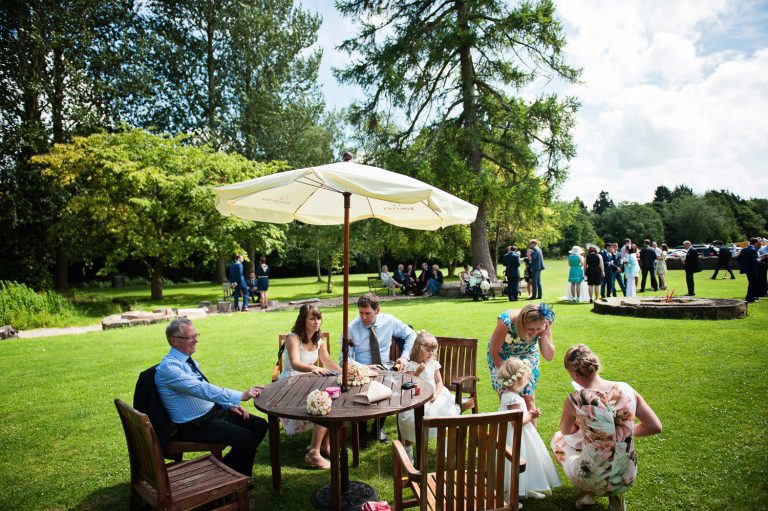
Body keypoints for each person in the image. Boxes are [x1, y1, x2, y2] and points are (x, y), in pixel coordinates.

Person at [551, 344, 662, 510]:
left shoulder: (576, 399)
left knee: (558, 440)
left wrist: (583, 426)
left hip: (592, 480)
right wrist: (621, 434)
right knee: (595, 445)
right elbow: (655, 426)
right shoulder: (626, 388)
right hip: (627, 476)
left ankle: (587, 494)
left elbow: (566, 431)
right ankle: (615, 499)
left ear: (573, 373)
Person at [155, 318, 268, 476]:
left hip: (212, 412)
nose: (196, 340)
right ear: (173, 340)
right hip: (194, 424)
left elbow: (200, 393)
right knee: (246, 439)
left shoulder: (186, 361)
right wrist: (240, 396)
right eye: (191, 337)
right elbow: (202, 389)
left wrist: (227, 404)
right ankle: (235, 480)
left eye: (196, 335)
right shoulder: (170, 368)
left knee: (260, 425)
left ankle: (226, 470)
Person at [345, 292, 416, 445]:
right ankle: (361, 431)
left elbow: (411, 335)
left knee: (391, 387)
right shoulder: (351, 328)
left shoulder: (389, 321)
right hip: (362, 370)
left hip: (385, 367)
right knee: (361, 391)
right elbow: (344, 359)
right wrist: (364, 367)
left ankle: (378, 427)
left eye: (368, 313)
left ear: (378, 310)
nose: (363, 317)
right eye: (361, 313)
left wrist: (404, 357)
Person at [278, 305, 341, 469]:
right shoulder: (293, 338)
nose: (316, 322)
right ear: (303, 320)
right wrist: (314, 368)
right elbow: (295, 363)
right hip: (290, 383)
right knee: (323, 401)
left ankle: (325, 445)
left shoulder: (318, 340)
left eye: (318, 318)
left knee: (332, 397)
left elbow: (328, 361)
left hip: (309, 381)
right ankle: (313, 452)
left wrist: (344, 371)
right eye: (312, 318)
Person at [497, 358, 561, 500]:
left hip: (520, 434)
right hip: (516, 435)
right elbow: (515, 422)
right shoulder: (512, 398)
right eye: (525, 379)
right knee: (518, 460)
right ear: (518, 380)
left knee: (528, 459)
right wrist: (531, 415)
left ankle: (527, 487)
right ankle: (512, 494)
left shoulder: (508, 394)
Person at [397, 331, 460, 461]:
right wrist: (417, 372)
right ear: (418, 349)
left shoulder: (433, 364)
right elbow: (409, 383)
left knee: (443, 412)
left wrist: (436, 394)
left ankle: (444, 448)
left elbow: (439, 382)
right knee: (410, 420)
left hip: (434, 395)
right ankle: (408, 449)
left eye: (433, 349)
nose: (431, 353)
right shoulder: (411, 365)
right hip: (416, 396)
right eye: (428, 349)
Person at [487, 303, 556, 414]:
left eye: (538, 328)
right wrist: (508, 375)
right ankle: (509, 430)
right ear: (522, 322)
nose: (534, 333)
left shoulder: (545, 321)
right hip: (502, 356)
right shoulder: (506, 322)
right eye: (530, 329)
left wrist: (543, 334)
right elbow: (493, 351)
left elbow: (549, 356)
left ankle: (531, 431)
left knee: (529, 399)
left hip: (527, 356)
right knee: (509, 399)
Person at [737, 237, 762, 303]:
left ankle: (751, 297)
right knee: (753, 284)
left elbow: (738, 258)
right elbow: (756, 261)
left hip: (747, 269)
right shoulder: (753, 250)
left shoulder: (744, 250)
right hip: (753, 269)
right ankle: (750, 298)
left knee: (751, 283)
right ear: (755, 243)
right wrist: (761, 259)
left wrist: (744, 265)